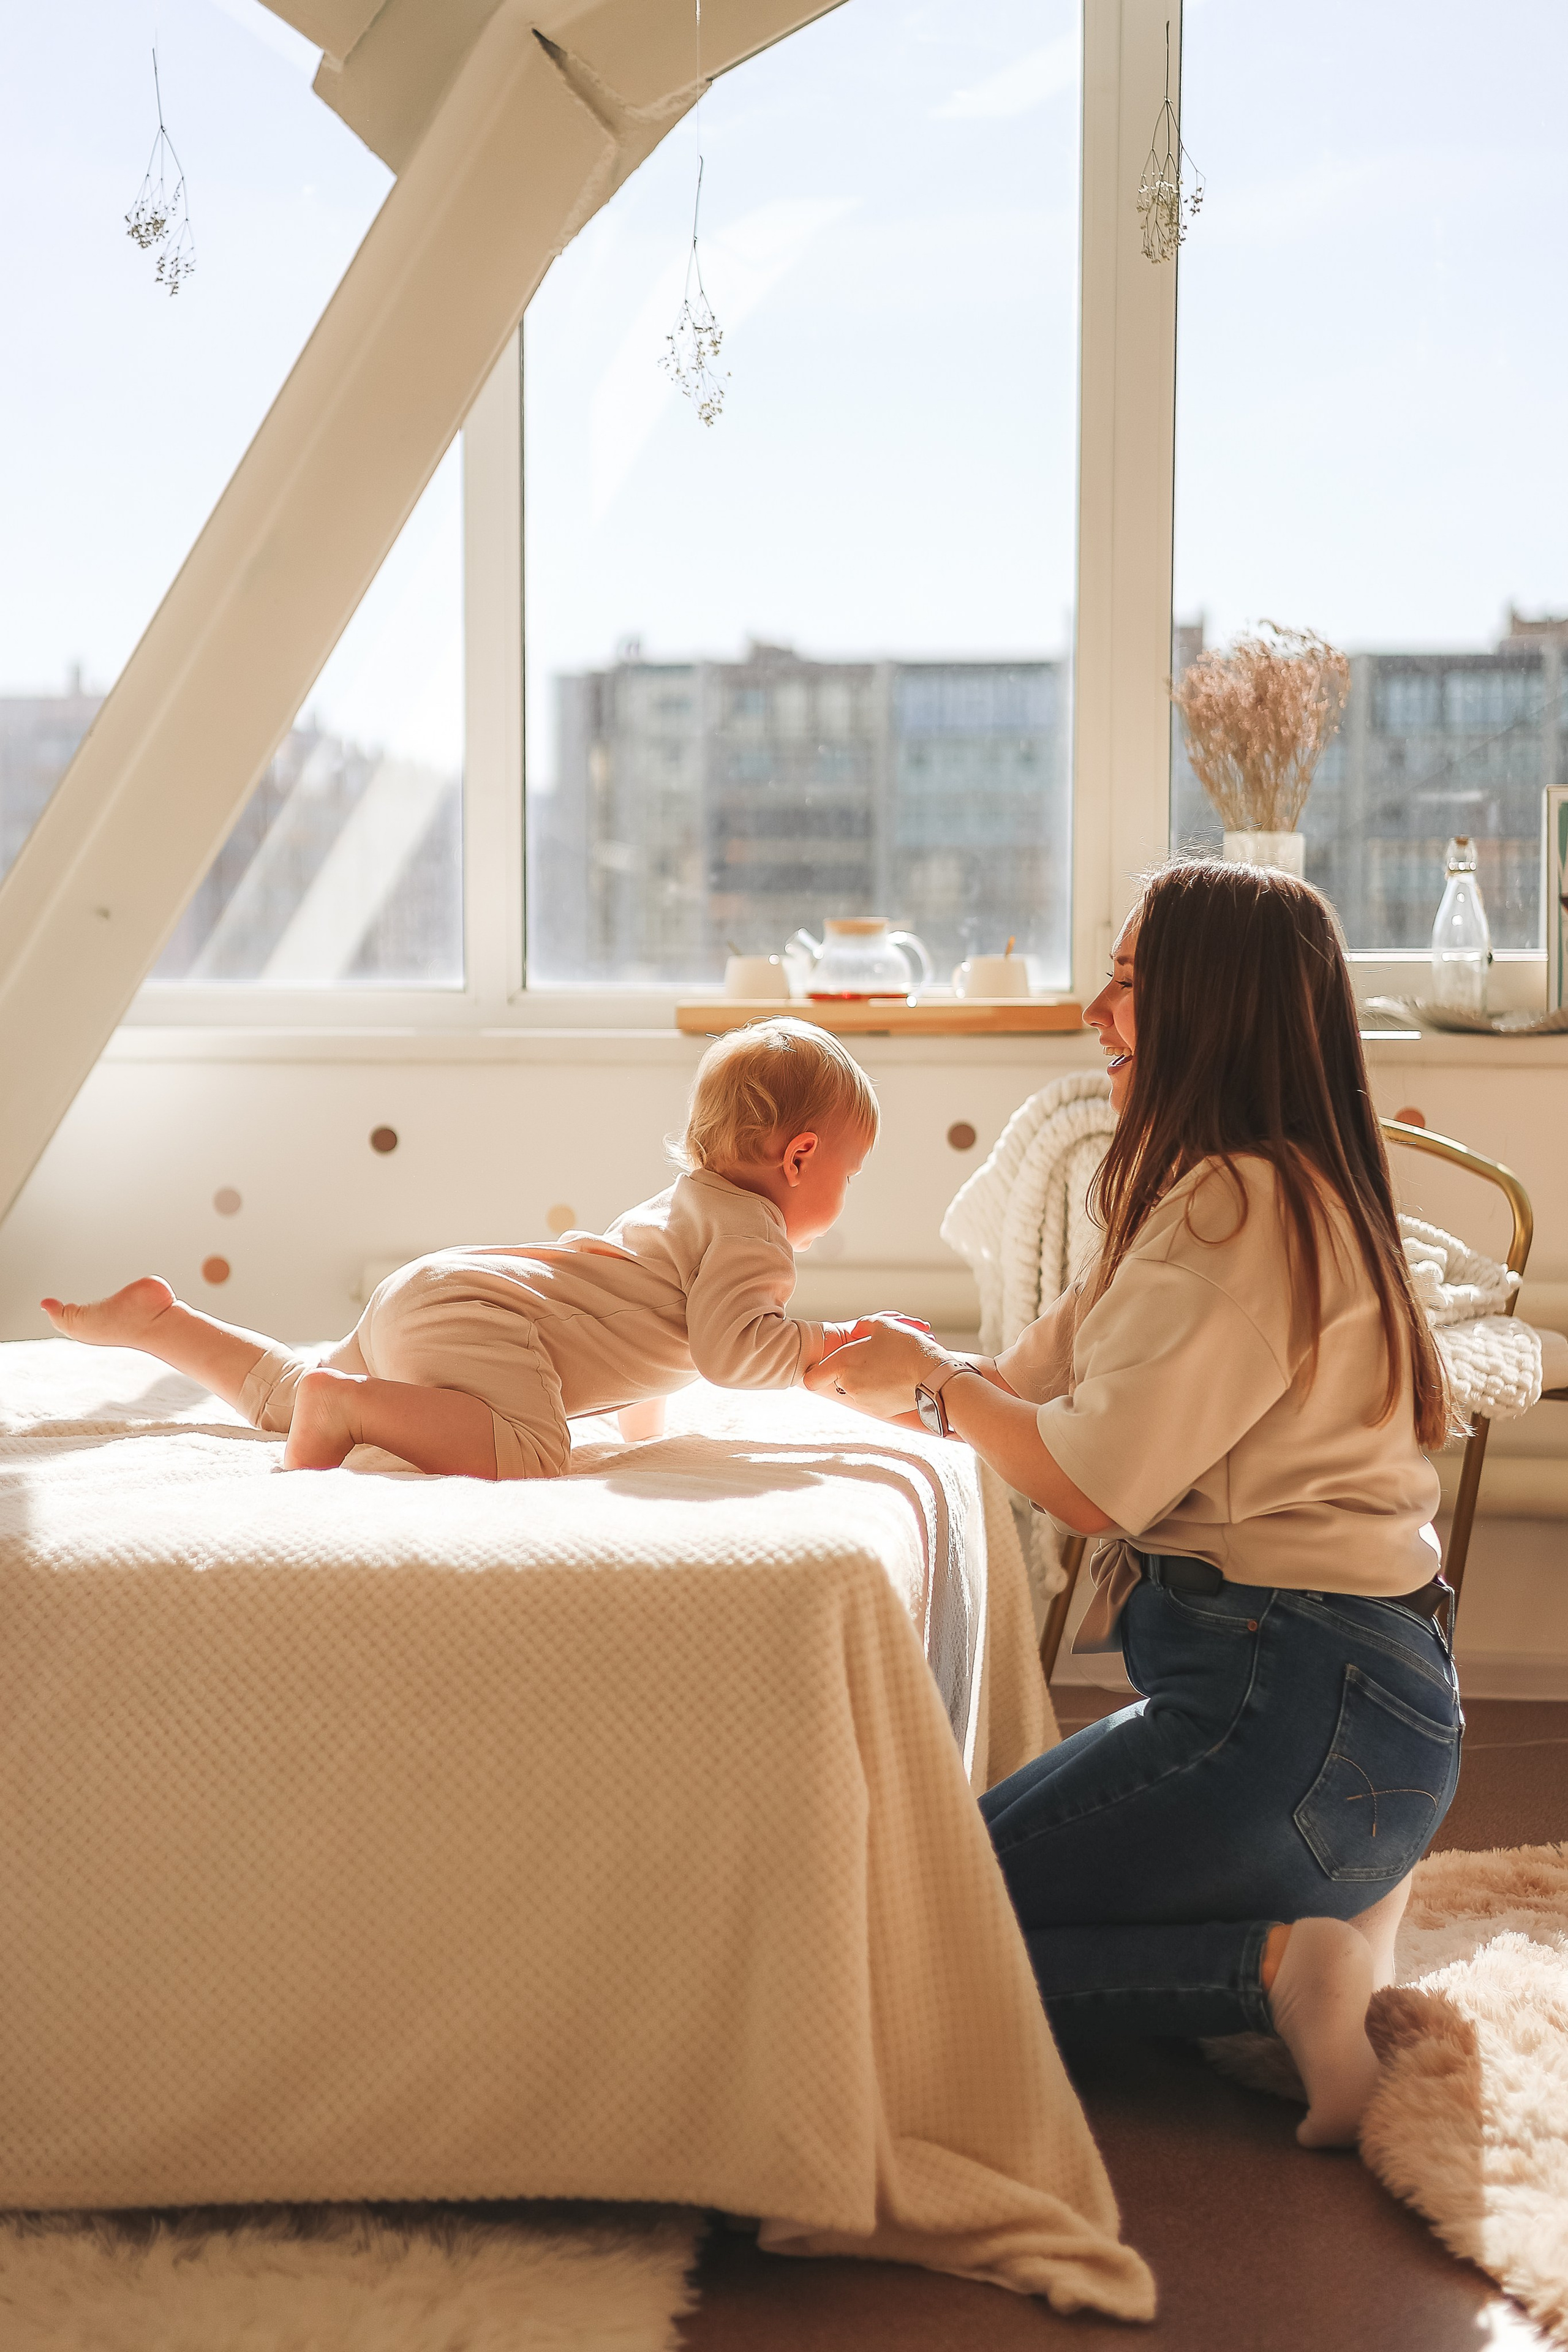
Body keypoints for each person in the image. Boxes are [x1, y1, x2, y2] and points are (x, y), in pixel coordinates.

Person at [807, 861, 1460, 2150]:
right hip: (1348, 1718)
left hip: (1291, 1723)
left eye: (1123, 982)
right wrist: (912, 1371)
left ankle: (1279, 1970)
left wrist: (936, 1387)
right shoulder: (1241, 1193)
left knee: (901, 1945)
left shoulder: (1236, 1210)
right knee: (943, 1897)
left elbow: (1090, 1482)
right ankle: (1307, 1916)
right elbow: (1022, 1384)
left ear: (1207, 1006)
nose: (1094, 1012)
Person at [44, 1017, 876, 1481]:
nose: (848, 1190)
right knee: (534, 1450)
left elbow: (638, 1341)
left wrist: (641, 1444)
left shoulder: (689, 1201)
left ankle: (164, 1324)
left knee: (290, 1397)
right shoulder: (754, 1235)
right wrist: (826, 1345)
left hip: (439, 1289)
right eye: (851, 1172)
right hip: (484, 1320)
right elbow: (732, 1352)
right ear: (800, 1157)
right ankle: (349, 1407)